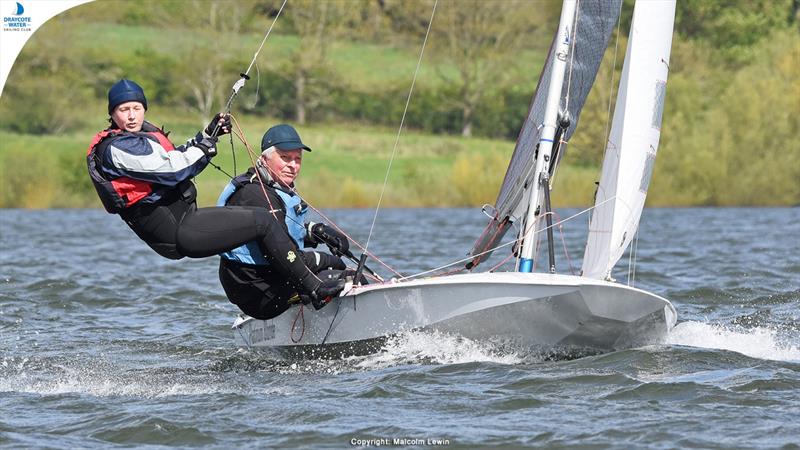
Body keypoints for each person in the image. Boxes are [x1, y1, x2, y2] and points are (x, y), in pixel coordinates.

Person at [87, 79, 343, 303]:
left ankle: (296, 287)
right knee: (262, 221)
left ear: (144, 109)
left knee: (260, 222)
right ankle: (314, 289)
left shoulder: (143, 136)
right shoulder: (116, 149)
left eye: (136, 108)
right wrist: (205, 148)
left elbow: (176, 154)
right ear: (112, 114)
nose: (132, 116)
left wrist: (208, 134)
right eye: (124, 110)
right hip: (177, 233)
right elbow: (172, 169)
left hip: (186, 220)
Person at [217, 124, 356, 318]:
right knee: (348, 277)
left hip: (270, 280)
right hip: (260, 293)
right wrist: (327, 260)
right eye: (285, 157)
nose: (293, 165)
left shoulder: (272, 187)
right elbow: (284, 255)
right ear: (264, 159)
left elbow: (283, 231)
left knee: (342, 273)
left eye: (298, 159)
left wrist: (316, 232)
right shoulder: (256, 195)